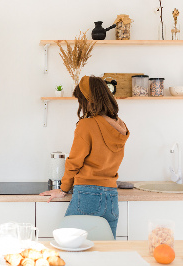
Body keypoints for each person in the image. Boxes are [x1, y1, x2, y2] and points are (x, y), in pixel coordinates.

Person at [39, 76, 129, 238]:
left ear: (89, 100)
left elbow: (74, 162)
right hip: (111, 197)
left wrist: (63, 189)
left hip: (88, 195)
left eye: (81, 100)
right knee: (106, 250)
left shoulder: (87, 125)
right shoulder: (120, 125)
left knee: (68, 244)